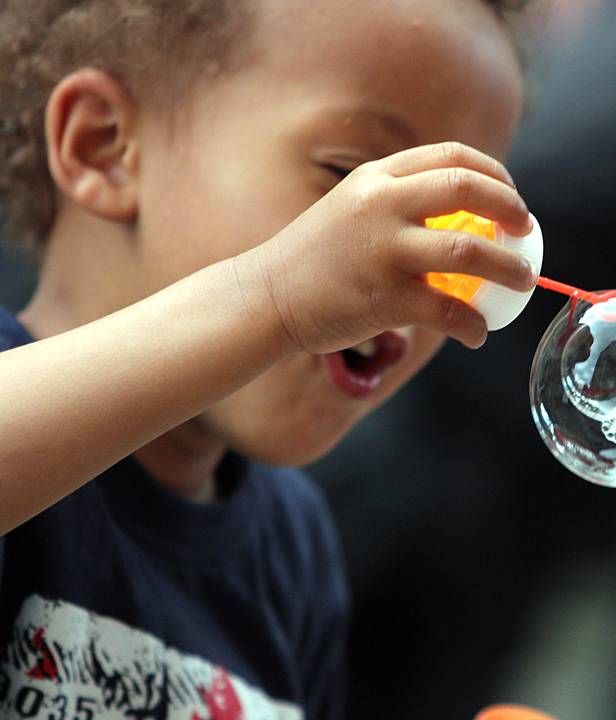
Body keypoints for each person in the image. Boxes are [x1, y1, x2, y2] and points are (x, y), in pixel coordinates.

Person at [0, 1, 538, 718]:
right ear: (104, 144)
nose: (423, 264)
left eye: (461, 223)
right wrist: (273, 301)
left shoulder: (296, 547)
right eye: (346, 176)